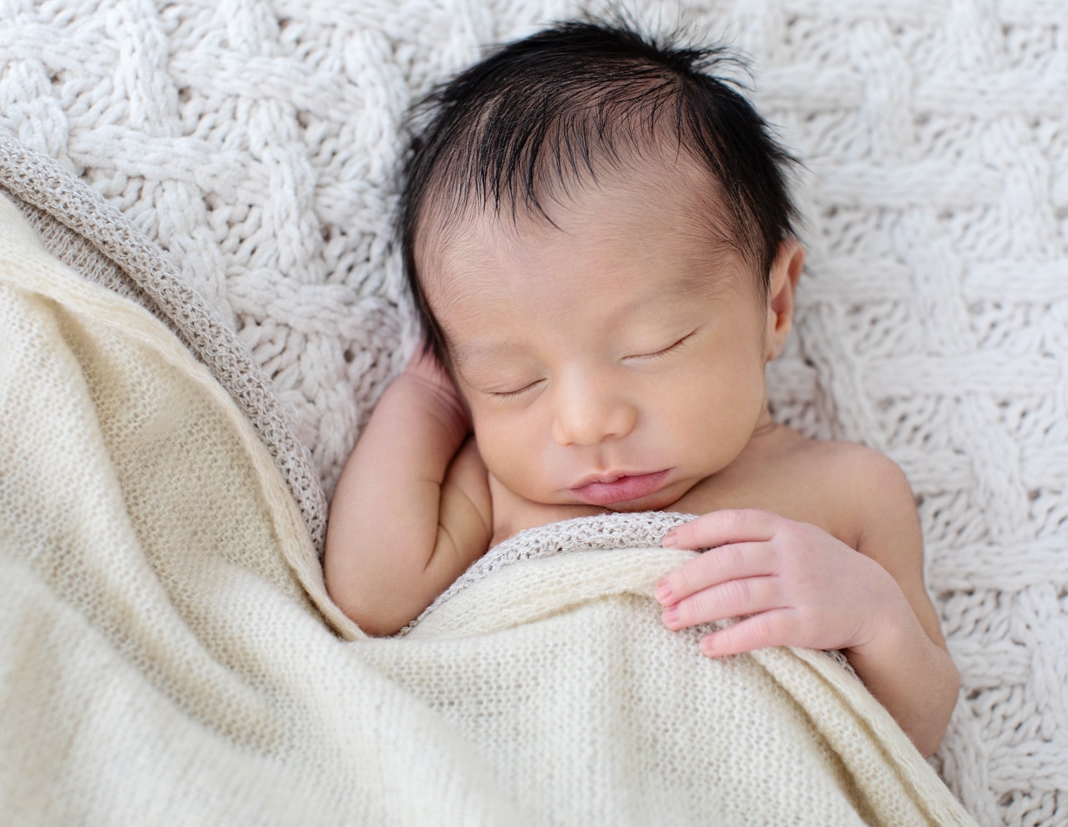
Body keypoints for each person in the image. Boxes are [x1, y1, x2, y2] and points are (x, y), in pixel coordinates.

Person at [323, 16, 958, 756]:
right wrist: (429, 398)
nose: (587, 423)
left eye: (654, 346)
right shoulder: (509, 492)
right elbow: (371, 596)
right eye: (512, 380)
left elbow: (918, 730)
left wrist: (871, 616)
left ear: (774, 305)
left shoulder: (850, 491)